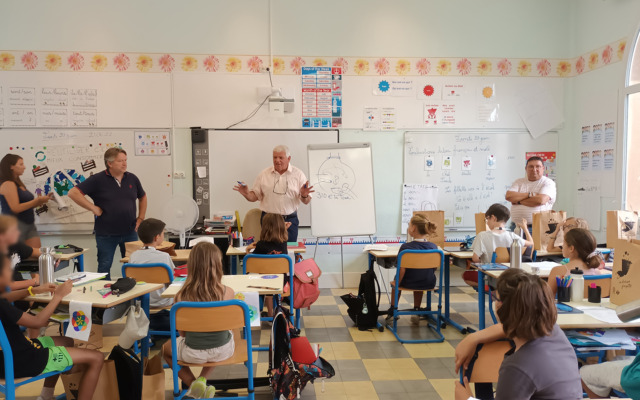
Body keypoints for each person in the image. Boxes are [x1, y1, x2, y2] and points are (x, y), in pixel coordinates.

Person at [454, 268, 582, 400]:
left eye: (495, 297)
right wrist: (473, 337)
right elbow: (512, 325)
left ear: (501, 306)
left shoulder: (518, 367)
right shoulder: (553, 331)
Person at [0, 255, 104, 400]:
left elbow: (6, 297)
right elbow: (38, 322)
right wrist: (58, 296)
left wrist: (33, 290)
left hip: (8, 356)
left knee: (66, 341)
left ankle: (46, 395)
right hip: (21, 361)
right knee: (97, 358)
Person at [162, 242, 234, 399]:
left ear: (191, 266)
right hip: (223, 351)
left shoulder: (180, 297)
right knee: (226, 332)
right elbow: (228, 326)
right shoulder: (228, 293)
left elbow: (183, 333)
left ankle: (194, 384)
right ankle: (201, 380)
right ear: (218, 265)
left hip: (192, 353)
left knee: (166, 350)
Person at [68, 148, 147, 279]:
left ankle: (133, 296)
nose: (124, 164)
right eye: (120, 161)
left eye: (125, 160)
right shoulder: (97, 179)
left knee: (133, 265)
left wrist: (141, 218)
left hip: (130, 230)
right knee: (104, 266)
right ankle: (105, 296)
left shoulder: (132, 178)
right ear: (109, 163)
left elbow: (143, 197)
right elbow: (73, 193)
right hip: (106, 233)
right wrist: (93, 208)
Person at [233, 145, 314, 242]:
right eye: (275, 157)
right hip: (268, 221)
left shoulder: (298, 174)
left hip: (289, 220)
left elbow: (306, 201)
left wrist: (304, 195)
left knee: (289, 252)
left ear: (289, 158)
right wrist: (246, 193)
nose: (277, 160)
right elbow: (254, 197)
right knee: (269, 252)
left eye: (281, 157)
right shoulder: (264, 174)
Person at [462, 204, 533, 287]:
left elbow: (475, 258)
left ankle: (494, 292)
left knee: (466, 274)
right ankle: (498, 293)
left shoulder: (482, 236)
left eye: (487, 219)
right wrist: (525, 228)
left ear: (493, 218)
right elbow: (531, 244)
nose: (487, 222)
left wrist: (482, 265)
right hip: (511, 278)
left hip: (491, 277)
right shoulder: (512, 236)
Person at [386, 214, 438, 326]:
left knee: (397, 280)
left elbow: (402, 270)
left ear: (413, 228)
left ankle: (393, 310)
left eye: (409, 225)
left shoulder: (405, 248)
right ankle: (416, 310)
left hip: (409, 282)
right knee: (420, 276)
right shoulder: (434, 247)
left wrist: (396, 283)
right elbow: (434, 268)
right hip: (428, 282)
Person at [0, 154, 53, 248]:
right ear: (11, 166)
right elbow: (15, 208)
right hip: (15, 227)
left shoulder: (19, 183)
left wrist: (40, 201)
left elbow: (25, 205)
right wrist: (37, 200)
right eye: (20, 164)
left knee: (36, 257)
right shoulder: (8, 184)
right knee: (19, 258)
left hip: (29, 224)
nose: (24, 167)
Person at [246, 213, 289, 317]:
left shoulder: (261, 244)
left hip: (263, 281)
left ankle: (269, 315)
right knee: (272, 280)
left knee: (263, 280)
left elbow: (250, 263)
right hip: (282, 282)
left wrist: (248, 250)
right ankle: (275, 313)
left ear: (264, 228)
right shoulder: (283, 243)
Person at [129, 218, 173, 309]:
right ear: (156, 237)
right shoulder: (164, 256)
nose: (163, 236)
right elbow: (172, 280)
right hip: (163, 301)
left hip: (141, 302)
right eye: (162, 234)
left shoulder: (133, 256)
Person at [548, 228, 605, 295]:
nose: (562, 246)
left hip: (565, 305)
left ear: (571, 248)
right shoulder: (597, 272)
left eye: (564, 243)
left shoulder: (558, 271)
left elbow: (548, 298)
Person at [505, 156, 556, 230]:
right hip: (516, 227)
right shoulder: (519, 182)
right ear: (526, 168)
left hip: (537, 227)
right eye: (531, 167)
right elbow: (509, 196)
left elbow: (540, 200)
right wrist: (529, 194)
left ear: (543, 168)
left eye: (538, 166)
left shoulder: (548, 183)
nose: (534, 169)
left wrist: (518, 201)